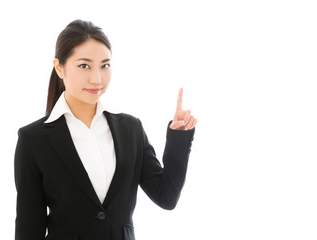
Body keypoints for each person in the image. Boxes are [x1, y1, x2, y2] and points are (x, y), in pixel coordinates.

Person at [14, 19, 197, 240]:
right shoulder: (33, 139)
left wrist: (179, 136)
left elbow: (166, 197)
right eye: (84, 65)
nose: (97, 78)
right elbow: (28, 230)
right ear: (59, 67)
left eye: (105, 65)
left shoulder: (131, 129)